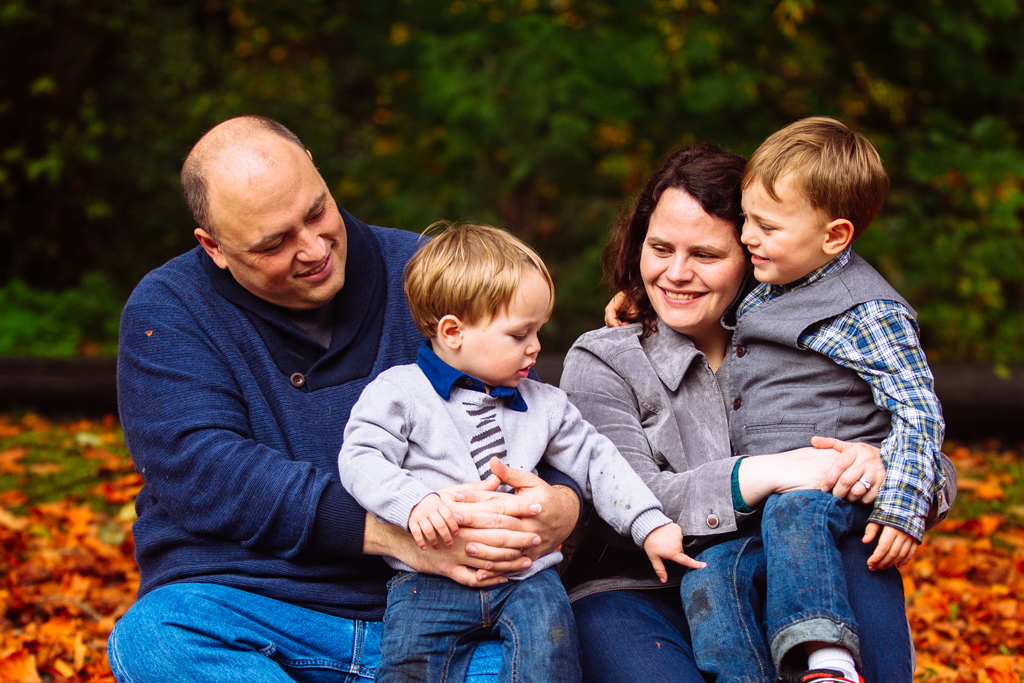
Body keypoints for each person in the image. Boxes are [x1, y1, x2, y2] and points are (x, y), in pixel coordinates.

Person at [107, 116, 584, 683]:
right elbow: (204, 470)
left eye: (316, 212)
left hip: (443, 617)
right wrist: (398, 533)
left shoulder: (434, 277)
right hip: (260, 611)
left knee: (558, 652)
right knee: (155, 641)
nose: (313, 248)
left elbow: (547, 420)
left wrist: (563, 507)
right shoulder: (170, 311)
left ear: (317, 168)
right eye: (275, 243)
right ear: (214, 247)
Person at [559, 142, 957, 683]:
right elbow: (621, 494)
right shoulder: (605, 357)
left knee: (860, 565)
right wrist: (775, 471)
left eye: (704, 256)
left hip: (794, 570)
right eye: (659, 249)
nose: (675, 273)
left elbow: (927, 445)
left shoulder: (810, 336)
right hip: (641, 586)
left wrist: (877, 466)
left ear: (753, 253)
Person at [337, 223, 702, 682]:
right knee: (409, 668)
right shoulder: (400, 392)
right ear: (453, 331)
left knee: (552, 657)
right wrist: (413, 502)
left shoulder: (545, 404)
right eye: (518, 335)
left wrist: (647, 523)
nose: (535, 347)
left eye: (539, 330)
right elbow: (360, 458)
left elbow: (596, 459)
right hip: (429, 581)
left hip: (529, 580)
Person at [702, 116, 946, 683]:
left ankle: (828, 661)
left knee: (795, 511)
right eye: (746, 219)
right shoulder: (773, 275)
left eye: (766, 225)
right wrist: (635, 302)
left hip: (830, 489)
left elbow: (917, 407)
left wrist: (904, 504)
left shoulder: (865, 310)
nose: (746, 237)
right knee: (712, 571)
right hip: (764, 498)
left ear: (834, 236)